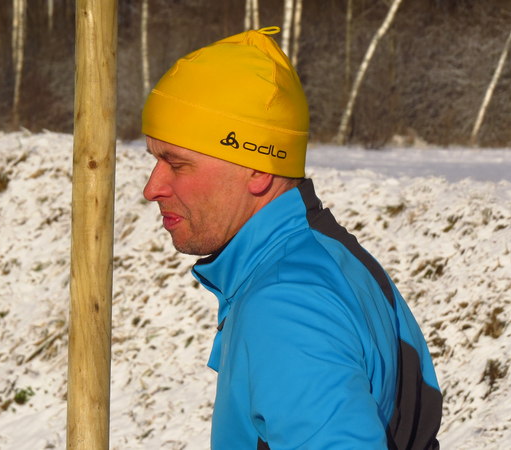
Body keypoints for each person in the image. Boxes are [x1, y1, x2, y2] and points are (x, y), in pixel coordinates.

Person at [141, 26, 442, 449]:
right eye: (154, 160)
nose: (152, 187)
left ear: (258, 168)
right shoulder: (331, 259)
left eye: (176, 164)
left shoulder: (286, 301)